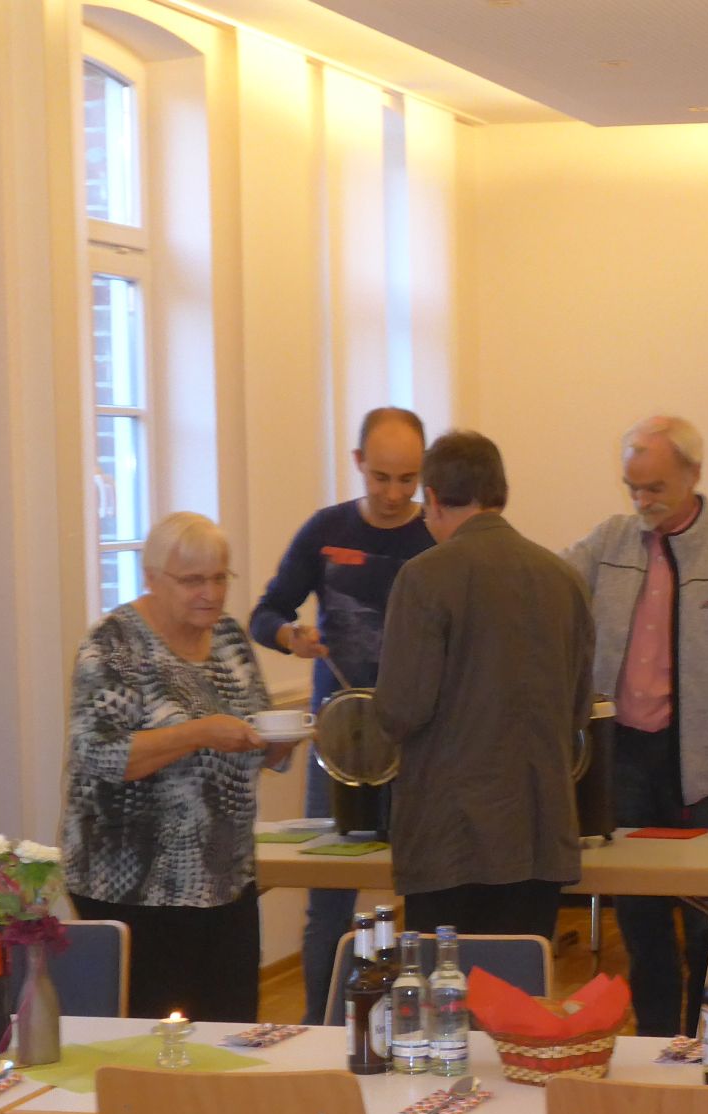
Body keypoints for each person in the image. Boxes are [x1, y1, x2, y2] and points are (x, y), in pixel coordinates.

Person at [562, 416, 708, 1037]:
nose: (642, 501)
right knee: (641, 921)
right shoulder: (609, 541)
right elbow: (547, 584)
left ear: (694, 474)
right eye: (633, 487)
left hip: (705, 771)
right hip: (625, 761)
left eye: (655, 487)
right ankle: (655, 1048)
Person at [62, 512, 294, 1021]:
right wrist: (199, 732)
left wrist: (276, 743)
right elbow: (99, 755)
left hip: (226, 877)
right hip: (134, 884)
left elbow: (253, 724)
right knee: (156, 1037)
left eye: (219, 578)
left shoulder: (228, 637)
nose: (209, 593)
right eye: (192, 580)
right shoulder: (114, 644)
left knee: (233, 1028)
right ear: (151, 577)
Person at [249, 407, 433, 1022]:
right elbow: (265, 613)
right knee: (328, 900)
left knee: (428, 892)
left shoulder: (438, 537)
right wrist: (290, 637)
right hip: (341, 744)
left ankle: (417, 1024)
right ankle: (319, 1027)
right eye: (381, 477)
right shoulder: (326, 530)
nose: (394, 493)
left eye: (408, 479)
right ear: (357, 463)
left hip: (421, 744)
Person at [374, 430, 594, 937]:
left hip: (450, 835)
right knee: (520, 980)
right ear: (501, 492)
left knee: (447, 982)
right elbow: (579, 708)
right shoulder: (564, 578)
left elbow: (403, 708)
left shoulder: (424, 577)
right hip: (540, 827)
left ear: (432, 499)